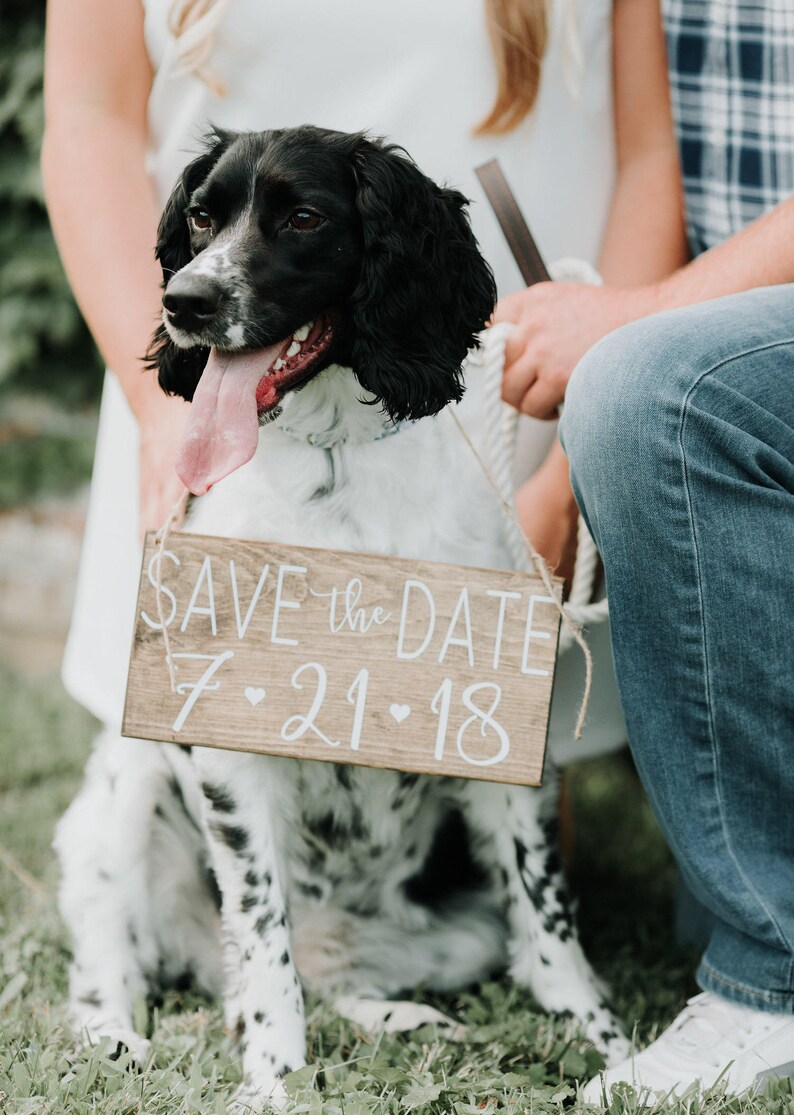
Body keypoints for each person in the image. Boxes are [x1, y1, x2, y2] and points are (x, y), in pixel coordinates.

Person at [42, 0, 686, 783]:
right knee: (222, 801)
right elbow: (86, 122)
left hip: (507, 409)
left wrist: (569, 481)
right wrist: (160, 415)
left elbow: (649, 154)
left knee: (471, 833)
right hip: (225, 395)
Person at [498, 1, 794, 1099]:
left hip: (724, 342)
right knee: (701, 888)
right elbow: (648, 160)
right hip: (745, 341)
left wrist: (637, 325)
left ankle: (774, 984)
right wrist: (563, 479)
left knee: (644, 387)